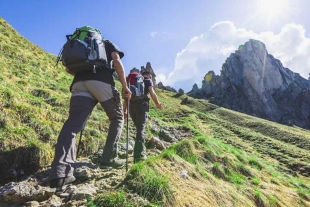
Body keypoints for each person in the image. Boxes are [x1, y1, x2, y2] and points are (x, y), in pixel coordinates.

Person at [49, 36, 131, 189]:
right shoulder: (105, 43)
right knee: (117, 118)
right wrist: (125, 86)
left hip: (79, 83)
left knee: (73, 124)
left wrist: (85, 74)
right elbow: (116, 60)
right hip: (102, 81)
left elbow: (68, 68)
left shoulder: (78, 45)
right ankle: (108, 159)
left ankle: (60, 173)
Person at [123, 69, 162, 163]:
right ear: (148, 75)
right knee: (141, 129)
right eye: (151, 77)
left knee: (139, 129)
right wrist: (157, 103)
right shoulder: (147, 80)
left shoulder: (132, 81)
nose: (151, 79)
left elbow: (125, 98)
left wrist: (125, 111)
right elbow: (152, 93)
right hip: (141, 105)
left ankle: (139, 150)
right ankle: (139, 156)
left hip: (131, 106)